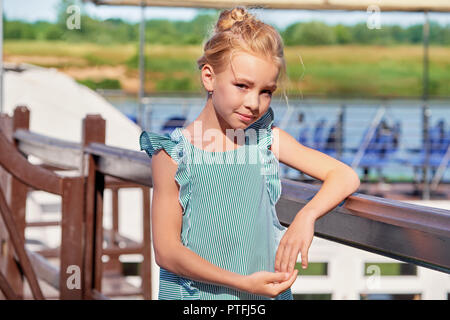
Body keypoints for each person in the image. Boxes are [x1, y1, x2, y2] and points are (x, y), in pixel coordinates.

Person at [139, 6, 360, 300]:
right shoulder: (173, 155)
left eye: (266, 91)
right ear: (209, 78)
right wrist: (243, 284)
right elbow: (167, 253)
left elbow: (344, 176)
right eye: (242, 86)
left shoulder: (266, 140)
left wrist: (305, 218)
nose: (254, 103)